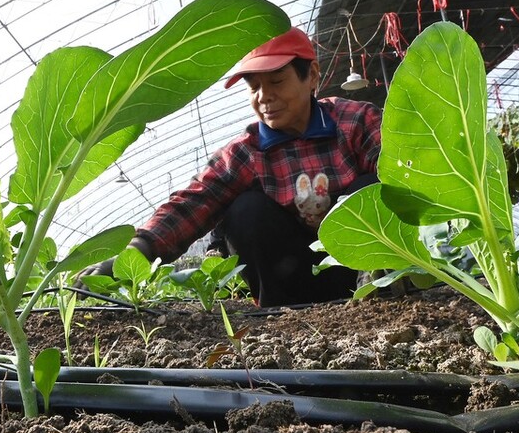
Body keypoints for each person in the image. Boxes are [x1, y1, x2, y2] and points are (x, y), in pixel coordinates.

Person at [88, 26, 382, 308]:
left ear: (312, 76)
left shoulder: (354, 122)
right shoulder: (246, 151)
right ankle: (279, 315)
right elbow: (195, 201)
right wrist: (139, 248)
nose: (263, 97)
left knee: (371, 188)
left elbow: (405, 172)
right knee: (246, 210)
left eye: (277, 82)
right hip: (290, 283)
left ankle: (380, 293)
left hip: (357, 271)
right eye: (254, 86)